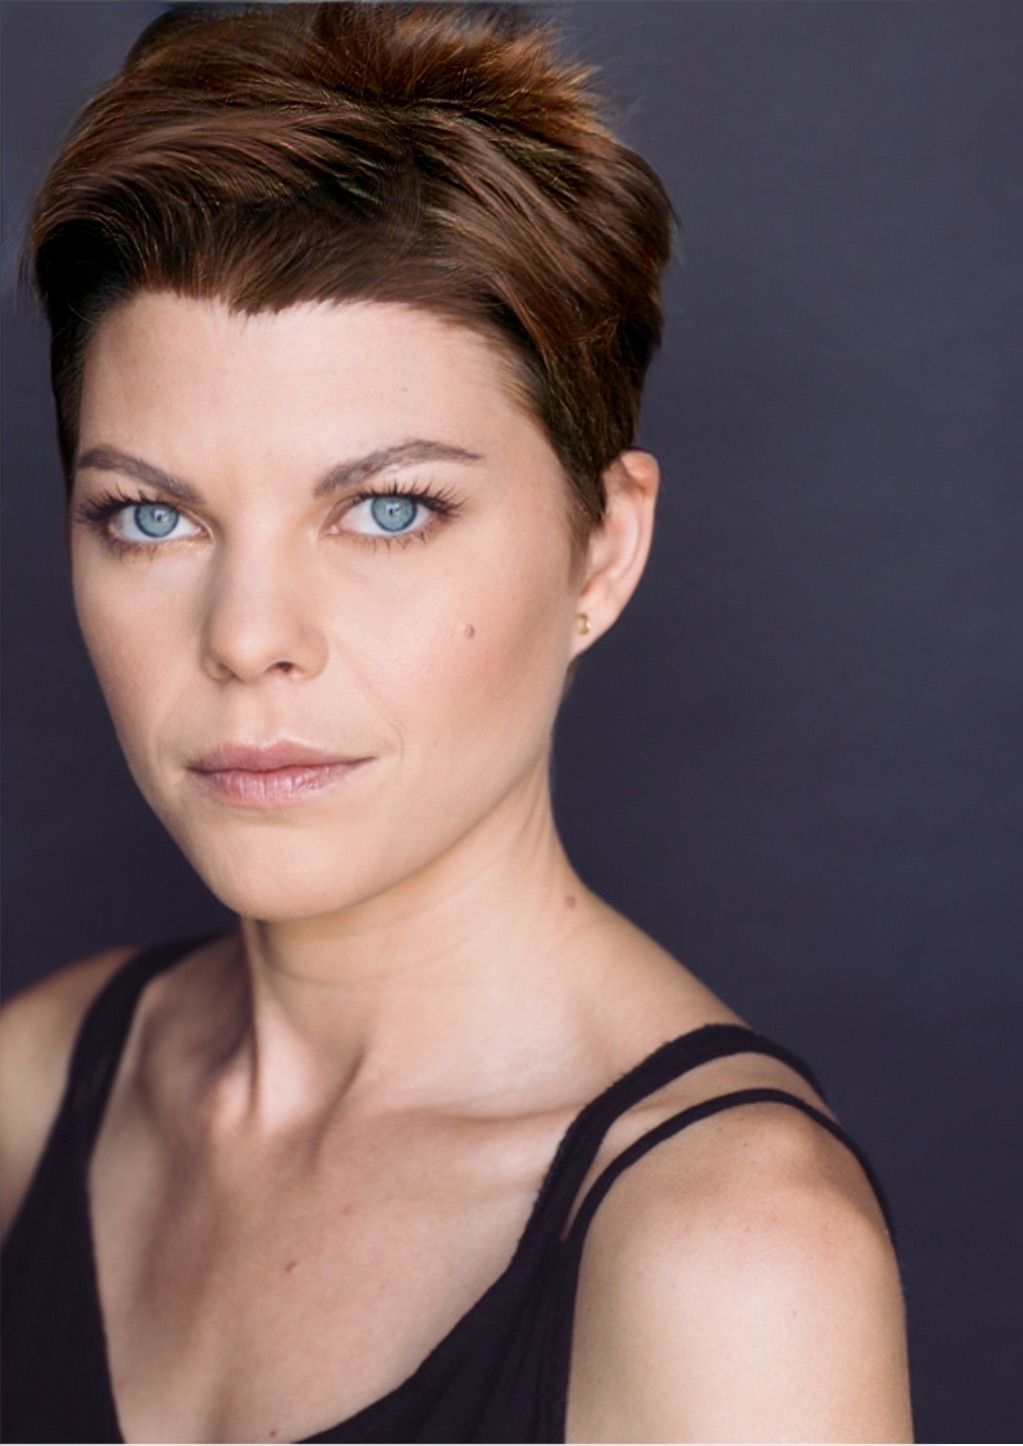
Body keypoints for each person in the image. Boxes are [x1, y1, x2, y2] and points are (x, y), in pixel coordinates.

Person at [0, 4, 912, 1441]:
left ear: (601, 550)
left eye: (385, 509)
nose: (248, 638)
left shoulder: (731, 1259)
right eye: (152, 514)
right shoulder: (34, 1088)